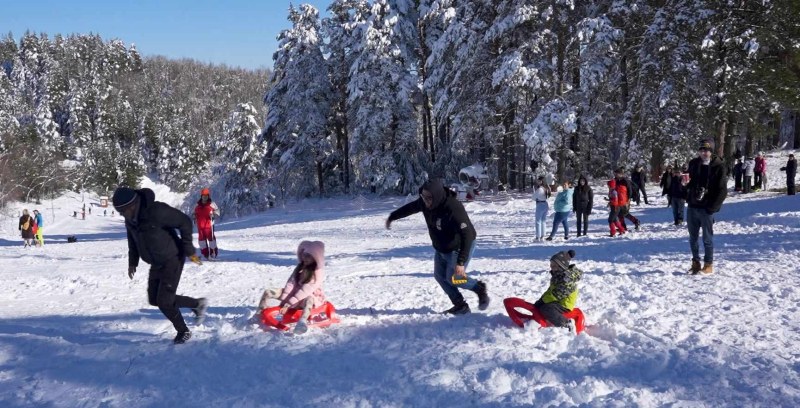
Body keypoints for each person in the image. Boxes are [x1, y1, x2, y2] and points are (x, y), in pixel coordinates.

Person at [113, 186, 208, 344]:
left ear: (132, 205)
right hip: (156, 261)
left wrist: (189, 249)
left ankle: (183, 331)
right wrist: (132, 262)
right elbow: (132, 241)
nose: (122, 215)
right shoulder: (130, 219)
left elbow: (184, 222)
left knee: (164, 301)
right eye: (120, 212)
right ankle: (197, 304)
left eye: (123, 211)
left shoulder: (156, 211)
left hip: (172, 257)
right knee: (154, 299)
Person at [386, 179, 489, 315]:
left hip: (460, 246)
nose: (425, 200)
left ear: (437, 195)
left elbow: (468, 234)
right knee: (440, 276)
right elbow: (410, 208)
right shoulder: (425, 203)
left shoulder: (453, 207)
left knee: (455, 278)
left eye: (429, 198)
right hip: (442, 247)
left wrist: (461, 262)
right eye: (423, 197)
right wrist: (392, 217)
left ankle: (479, 288)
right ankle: (460, 305)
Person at [258, 241, 326, 334]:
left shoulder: (316, 273)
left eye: (309, 256)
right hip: (294, 295)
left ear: (316, 258)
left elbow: (304, 291)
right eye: (305, 254)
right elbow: (291, 283)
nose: (305, 258)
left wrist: (288, 304)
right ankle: (259, 313)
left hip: (306, 297)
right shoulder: (300, 267)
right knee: (269, 292)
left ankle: (302, 322)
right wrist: (285, 298)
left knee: (309, 300)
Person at [681, 139, 728, 275]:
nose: (704, 153)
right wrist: (685, 185)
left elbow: (722, 190)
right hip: (693, 206)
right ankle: (695, 263)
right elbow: (689, 184)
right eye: (701, 150)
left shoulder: (719, 166)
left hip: (706, 208)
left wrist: (712, 208)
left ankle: (708, 264)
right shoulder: (694, 164)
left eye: (707, 150)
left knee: (707, 238)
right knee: (692, 238)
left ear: (711, 152)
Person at [535, 250, 582, 330]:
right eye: (551, 264)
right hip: (558, 300)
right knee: (541, 306)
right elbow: (551, 291)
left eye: (554, 265)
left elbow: (558, 294)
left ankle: (566, 324)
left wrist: (543, 301)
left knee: (546, 308)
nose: (551, 267)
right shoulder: (557, 275)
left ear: (561, 266)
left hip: (564, 303)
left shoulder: (566, 279)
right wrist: (541, 300)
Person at [193, 188, 221, 260]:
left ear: (208, 196)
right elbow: (194, 213)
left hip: (209, 226)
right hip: (200, 226)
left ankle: (213, 253)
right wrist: (194, 217)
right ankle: (205, 254)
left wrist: (213, 214)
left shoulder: (212, 204)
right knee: (201, 241)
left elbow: (218, 212)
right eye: (203, 195)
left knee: (211, 240)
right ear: (201, 196)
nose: (205, 197)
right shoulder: (197, 205)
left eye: (206, 196)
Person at [533, 176, 550, 241]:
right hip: (545, 204)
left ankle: (538, 236)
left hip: (540, 204)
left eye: (539, 181)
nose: (538, 182)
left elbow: (533, 197)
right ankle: (543, 234)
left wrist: (537, 197)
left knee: (538, 221)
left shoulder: (540, 189)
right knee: (543, 220)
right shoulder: (547, 187)